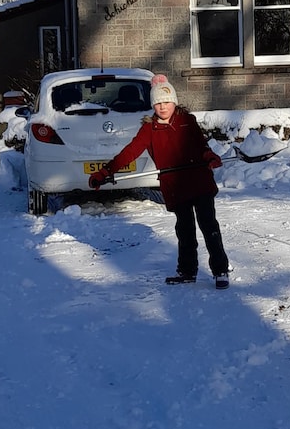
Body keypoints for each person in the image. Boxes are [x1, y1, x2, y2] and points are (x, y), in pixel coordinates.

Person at [88, 75, 230, 286]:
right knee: (185, 230)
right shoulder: (149, 129)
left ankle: (220, 270)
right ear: (153, 105)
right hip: (176, 185)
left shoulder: (187, 121)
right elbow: (130, 152)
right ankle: (187, 272)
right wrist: (106, 171)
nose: (162, 107)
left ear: (174, 101)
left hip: (199, 180)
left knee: (209, 226)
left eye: (166, 102)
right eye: (158, 103)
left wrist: (209, 156)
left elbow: (201, 146)